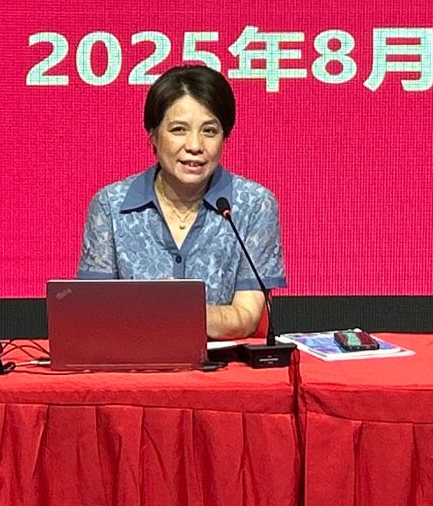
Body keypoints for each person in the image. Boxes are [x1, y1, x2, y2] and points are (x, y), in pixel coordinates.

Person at [76, 65, 286, 340]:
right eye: (178, 130)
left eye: (209, 131)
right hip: (133, 361)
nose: (195, 145)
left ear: (225, 137)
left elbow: (245, 317)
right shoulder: (110, 205)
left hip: (220, 364)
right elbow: (93, 315)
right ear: (153, 136)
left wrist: (176, 309)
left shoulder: (254, 205)